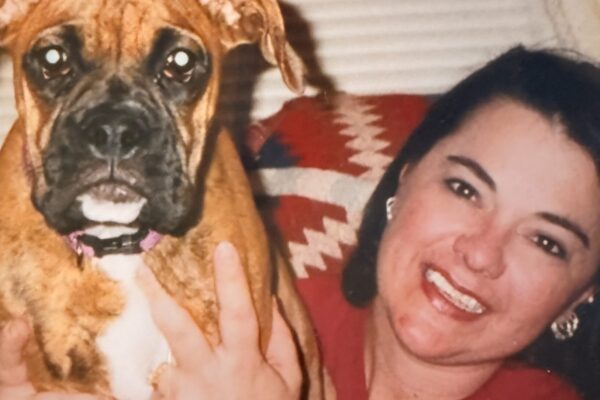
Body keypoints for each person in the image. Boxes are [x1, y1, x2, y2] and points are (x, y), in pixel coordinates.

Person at [1, 46, 600, 399]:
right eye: (465, 188)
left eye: (547, 241)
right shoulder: (259, 305)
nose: (480, 252)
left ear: (582, 295)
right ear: (405, 176)